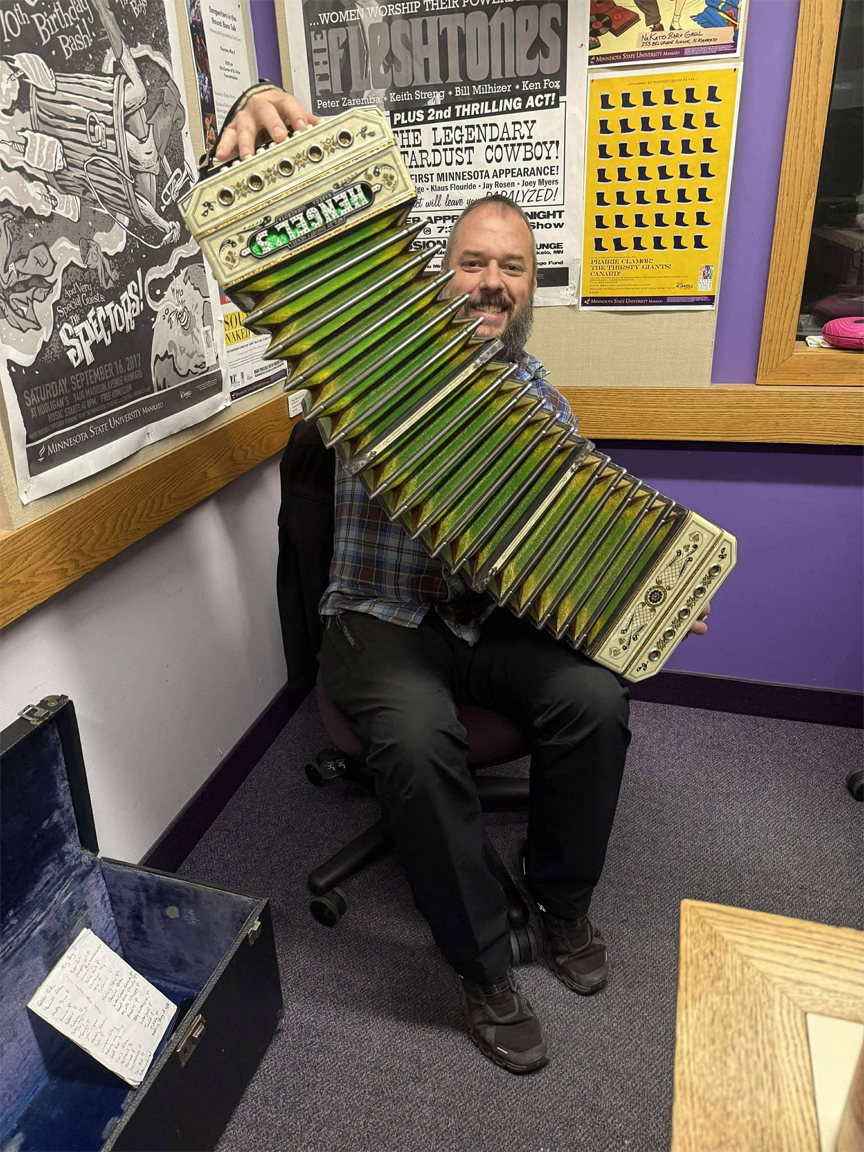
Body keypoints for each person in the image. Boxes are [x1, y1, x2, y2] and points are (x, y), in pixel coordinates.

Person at [218, 87, 711, 1075]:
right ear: (436, 276)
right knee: (412, 737)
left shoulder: (535, 401)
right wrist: (248, 113)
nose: (491, 283)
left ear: (531, 286)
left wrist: (641, 592)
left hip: (486, 627)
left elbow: (582, 537)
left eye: (512, 269)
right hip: (379, 617)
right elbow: (276, 249)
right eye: (473, 263)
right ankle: (482, 966)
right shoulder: (362, 363)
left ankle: (560, 905)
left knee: (590, 698)